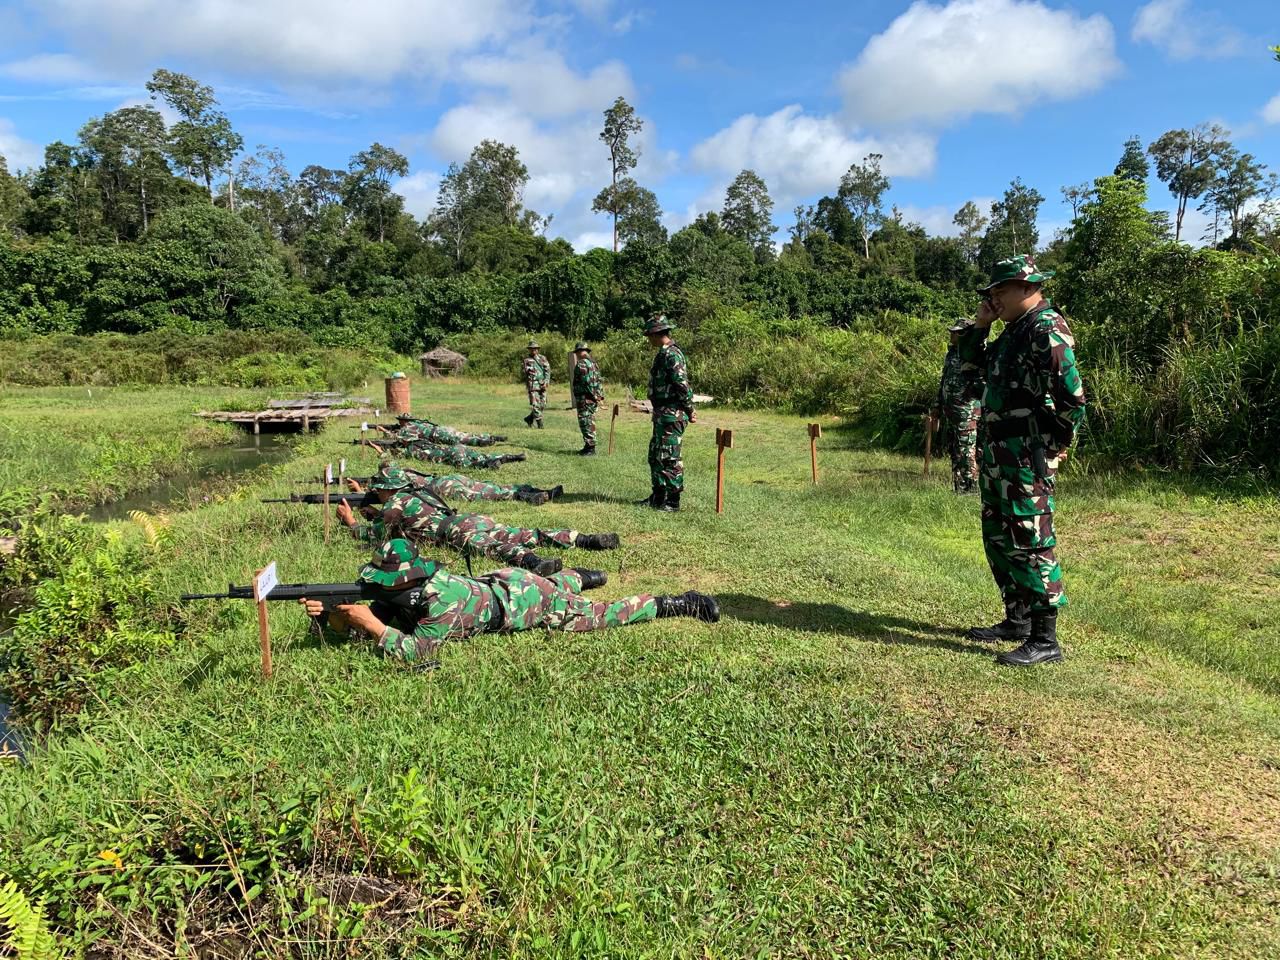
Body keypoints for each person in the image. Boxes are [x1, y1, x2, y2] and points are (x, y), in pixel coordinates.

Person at [298, 538, 721, 665]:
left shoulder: (440, 603)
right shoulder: (415, 589)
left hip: (524, 601)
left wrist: (368, 623)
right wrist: (333, 618)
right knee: (552, 581)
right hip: (503, 579)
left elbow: (420, 653)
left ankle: (679, 602)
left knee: (600, 615)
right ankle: (583, 575)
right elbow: (373, 622)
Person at [958, 255, 1086, 667]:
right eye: (991, 293)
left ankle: (1046, 639)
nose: (994, 298)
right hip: (999, 455)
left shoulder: (1046, 329)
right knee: (999, 537)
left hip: (1027, 455)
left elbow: (1071, 398)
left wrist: (1056, 446)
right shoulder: (1013, 331)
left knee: (1031, 539)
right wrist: (981, 326)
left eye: (1000, 291)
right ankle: (1017, 620)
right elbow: (971, 371)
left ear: (1028, 287)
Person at [338, 467, 619, 576]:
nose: (376, 492)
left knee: (494, 547)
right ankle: (583, 538)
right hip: (468, 519)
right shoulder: (416, 493)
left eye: (378, 489)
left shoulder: (394, 504)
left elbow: (374, 536)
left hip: (456, 532)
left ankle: (533, 562)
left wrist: (350, 522)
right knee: (522, 533)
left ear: (387, 488)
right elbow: (409, 521)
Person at [638, 314, 695, 512]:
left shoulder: (672, 354)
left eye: (649, 335)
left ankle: (673, 501)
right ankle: (658, 496)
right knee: (656, 455)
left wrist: (689, 409)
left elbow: (682, 384)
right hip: (662, 413)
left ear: (656, 334)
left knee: (670, 457)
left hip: (673, 413)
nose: (648, 339)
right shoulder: (663, 353)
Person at [346, 464, 561, 506]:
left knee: (485, 494)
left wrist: (361, 492)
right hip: (447, 479)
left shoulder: (395, 485)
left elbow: (387, 497)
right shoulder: (402, 473)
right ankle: (535, 491)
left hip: (443, 487)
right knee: (490, 487)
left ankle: (528, 496)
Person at [930, 322, 982, 494]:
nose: (952, 335)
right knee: (955, 450)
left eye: (957, 333)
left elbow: (983, 381)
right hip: (951, 411)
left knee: (967, 450)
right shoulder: (951, 353)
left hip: (967, 411)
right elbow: (944, 381)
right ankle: (959, 485)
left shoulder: (974, 354)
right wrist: (937, 406)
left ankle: (970, 487)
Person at [370, 437, 525, 471]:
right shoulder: (425, 442)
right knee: (482, 456)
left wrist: (379, 450)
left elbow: (393, 457)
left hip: (451, 454)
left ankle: (489, 465)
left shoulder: (412, 452)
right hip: (457, 448)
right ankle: (510, 456)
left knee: (469, 465)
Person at [383, 414, 507, 448]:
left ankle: (484, 442)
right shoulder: (416, 423)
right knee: (465, 434)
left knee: (464, 439)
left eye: (400, 421)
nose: (399, 423)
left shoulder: (407, 429)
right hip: (441, 429)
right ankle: (491, 437)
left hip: (438, 435)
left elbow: (393, 437)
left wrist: (382, 429)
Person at [570, 341, 604, 456]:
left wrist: (593, 396)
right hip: (591, 398)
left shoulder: (582, 364)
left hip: (585, 398)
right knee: (590, 421)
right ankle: (588, 446)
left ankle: (590, 448)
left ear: (579, 352)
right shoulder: (594, 363)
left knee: (585, 421)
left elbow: (586, 382)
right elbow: (599, 380)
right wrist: (599, 396)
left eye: (577, 352)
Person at [522, 340, 551, 428]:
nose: (533, 350)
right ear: (529, 350)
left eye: (535, 348)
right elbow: (525, 372)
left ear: (538, 349)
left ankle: (529, 418)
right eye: (531, 349)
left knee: (543, 404)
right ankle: (540, 423)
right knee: (535, 404)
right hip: (533, 385)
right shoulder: (526, 360)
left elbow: (547, 370)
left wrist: (546, 381)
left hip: (542, 384)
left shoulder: (542, 358)